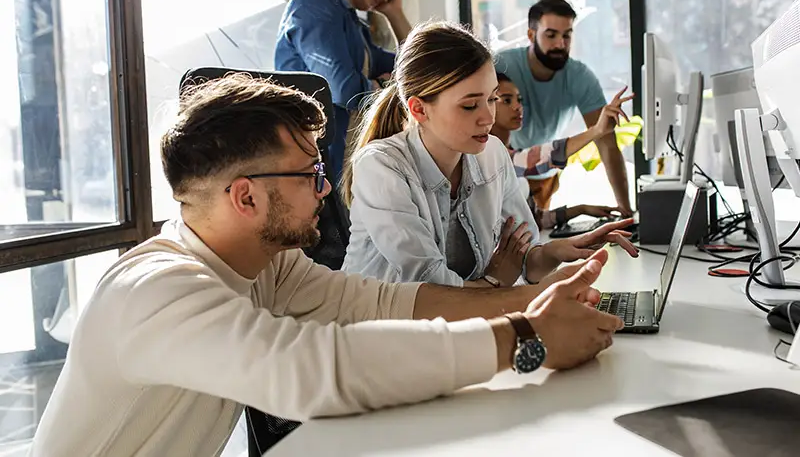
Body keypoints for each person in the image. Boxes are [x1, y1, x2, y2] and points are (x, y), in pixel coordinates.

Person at [30, 74, 624, 457]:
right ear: (245, 197)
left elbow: (383, 303)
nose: (324, 189)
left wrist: (534, 301)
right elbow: (316, 371)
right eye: (309, 173)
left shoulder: (267, 266)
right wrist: (525, 337)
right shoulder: (156, 290)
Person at [341, 21, 638, 289]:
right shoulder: (381, 166)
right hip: (379, 327)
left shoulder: (492, 153)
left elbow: (525, 260)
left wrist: (558, 251)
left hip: (456, 325)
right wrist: (494, 282)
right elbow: (430, 289)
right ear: (419, 109)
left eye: (492, 99)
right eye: (470, 106)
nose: (488, 118)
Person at [275, 0, 413, 184]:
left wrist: (395, 13)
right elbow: (342, 88)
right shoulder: (314, 3)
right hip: (311, 155)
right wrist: (384, 85)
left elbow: (412, 64)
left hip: (339, 154)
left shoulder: (354, 25)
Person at [495, 0, 634, 215]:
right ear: (531, 35)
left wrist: (624, 211)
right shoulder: (500, 67)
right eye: (551, 35)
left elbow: (607, 143)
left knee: (535, 226)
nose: (560, 44)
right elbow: (526, 161)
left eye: (566, 35)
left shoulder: (580, 77)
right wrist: (596, 131)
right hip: (511, 170)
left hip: (544, 176)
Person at [492, 73, 624, 230]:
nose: (517, 106)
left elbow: (536, 220)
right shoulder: (492, 156)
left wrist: (582, 209)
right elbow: (537, 158)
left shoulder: (509, 154)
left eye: (519, 100)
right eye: (507, 100)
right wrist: (597, 130)